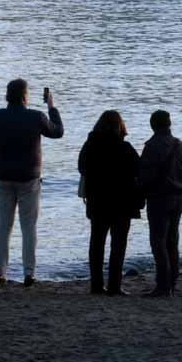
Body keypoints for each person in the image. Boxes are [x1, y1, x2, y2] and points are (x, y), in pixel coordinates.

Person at [0, 79, 63, 287]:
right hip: (29, 179)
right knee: (28, 227)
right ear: (25, 96)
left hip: (3, 178)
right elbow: (58, 131)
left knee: (3, 226)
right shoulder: (36, 117)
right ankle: (29, 274)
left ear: (7, 95)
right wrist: (52, 107)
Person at [77, 110, 142, 296]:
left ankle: (96, 285)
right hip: (122, 203)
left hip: (98, 201)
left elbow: (82, 168)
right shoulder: (125, 148)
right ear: (120, 127)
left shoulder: (90, 146)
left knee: (97, 243)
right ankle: (115, 285)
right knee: (118, 245)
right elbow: (139, 169)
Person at [139, 109, 182, 297]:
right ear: (169, 124)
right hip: (178, 199)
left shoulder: (152, 147)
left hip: (159, 199)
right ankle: (172, 283)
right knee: (172, 240)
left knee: (158, 241)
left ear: (152, 125)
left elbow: (144, 177)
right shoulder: (181, 146)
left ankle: (163, 285)